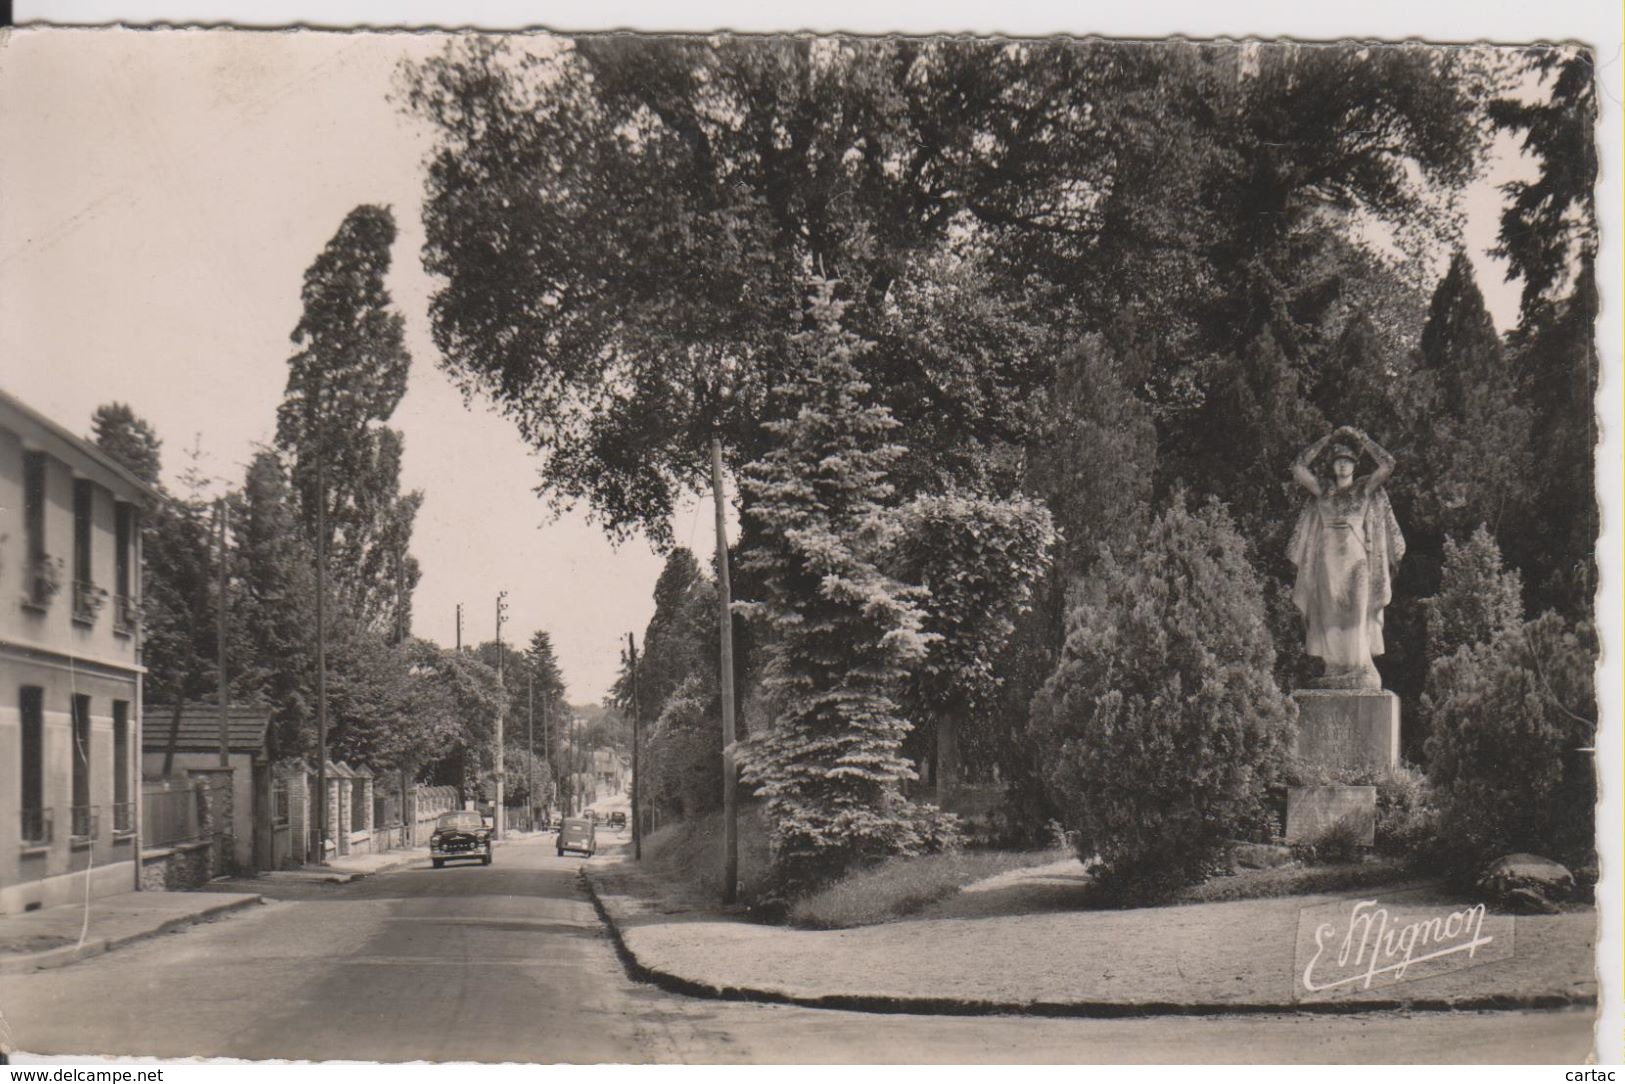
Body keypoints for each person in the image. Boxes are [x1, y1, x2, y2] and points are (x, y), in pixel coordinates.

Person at [1288, 426, 1405, 690]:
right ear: (1332, 465)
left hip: (1356, 556)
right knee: (1329, 611)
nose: (1343, 466)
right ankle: (1334, 667)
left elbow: (1388, 464)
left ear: (1354, 464)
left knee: (1358, 609)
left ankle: (1361, 665)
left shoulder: (1363, 488)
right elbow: (1297, 467)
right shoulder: (1324, 490)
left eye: (1348, 461)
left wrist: (1363, 438)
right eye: (1339, 461)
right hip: (1327, 557)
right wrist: (1325, 439)